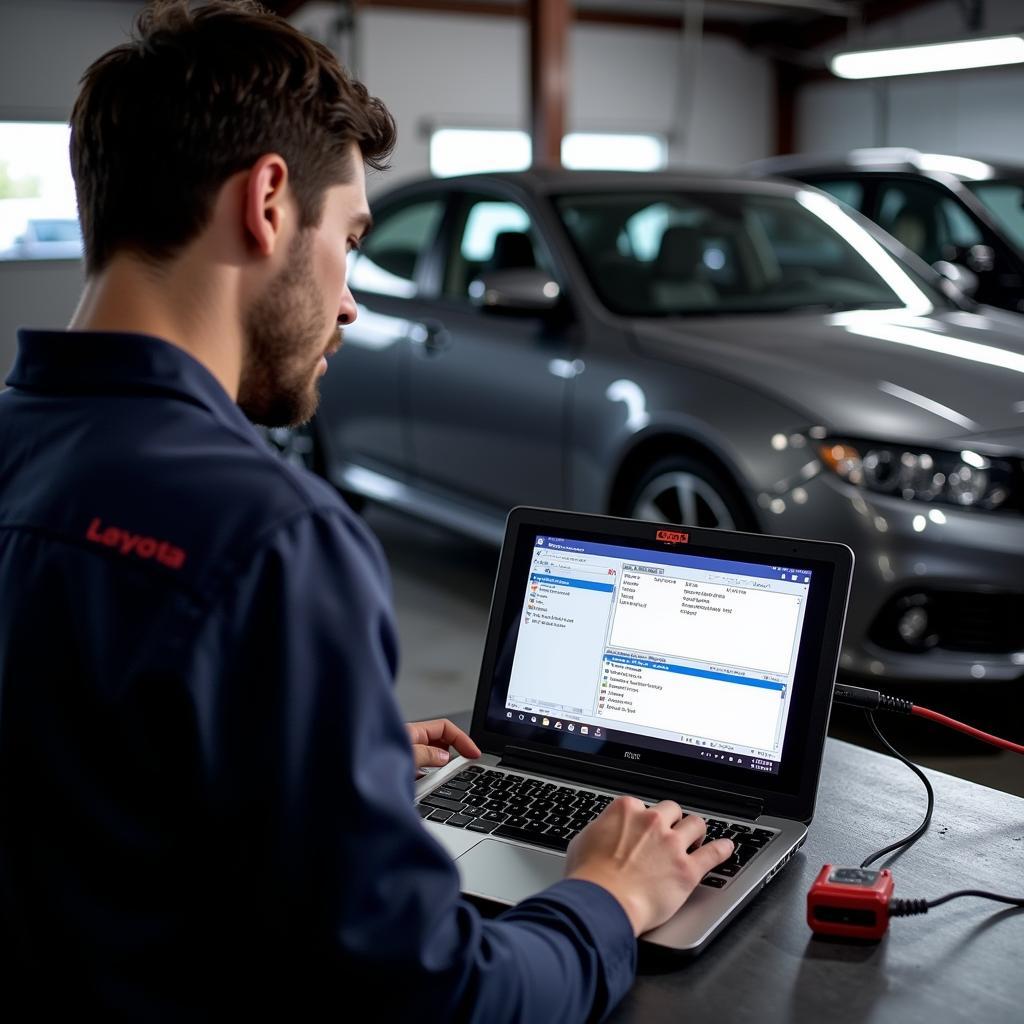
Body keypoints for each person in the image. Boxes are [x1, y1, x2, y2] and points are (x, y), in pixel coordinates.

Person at [0, 1, 733, 1018]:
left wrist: (321, 748)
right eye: (349, 239)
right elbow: (439, 999)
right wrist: (604, 897)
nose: (350, 303)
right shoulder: (273, 539)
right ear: (266, 202)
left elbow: (81, 763)